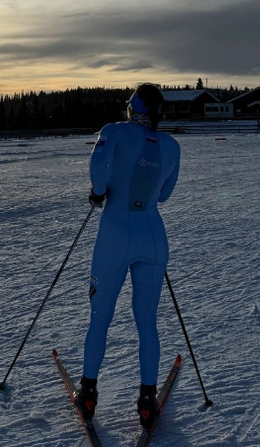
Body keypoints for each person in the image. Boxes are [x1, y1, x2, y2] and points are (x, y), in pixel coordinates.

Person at [75, 83, 181, 430]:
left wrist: (98, 192)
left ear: (132, 108)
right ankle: (147, 398)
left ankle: (88, 391)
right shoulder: (171, 146)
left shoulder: (114, 132)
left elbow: (99, 164)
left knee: (100, 316)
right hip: (152, 235)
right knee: (147, 321)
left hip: (115, 233)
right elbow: (164, 195)